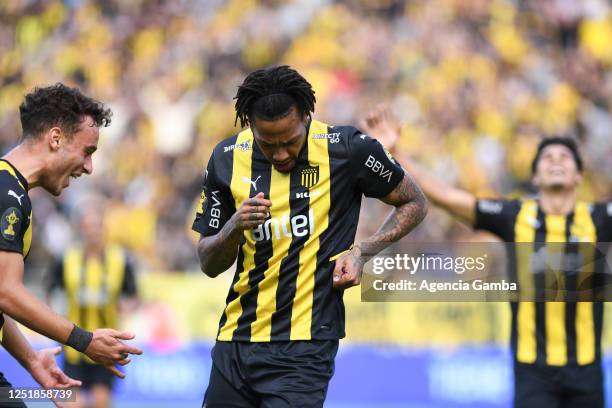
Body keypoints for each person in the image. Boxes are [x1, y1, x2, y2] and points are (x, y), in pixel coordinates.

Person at [192, 65, 427, 407]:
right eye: (268, 144)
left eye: (289, 141)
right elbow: (208, 262)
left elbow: (414, 202)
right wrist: (232, 228)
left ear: (306, 116)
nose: (281, 154)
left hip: (305, 350)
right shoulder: (226, 159)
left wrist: (363, 251)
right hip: (235, 342)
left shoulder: (348, 149)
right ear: (251, 127)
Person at [362, 107, 611, 408]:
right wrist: (396, 151)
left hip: (587, 370)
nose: (556, 162)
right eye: (548, 158)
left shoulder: (599, 218)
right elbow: (445, 197)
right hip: (533, 371)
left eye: (564, 158)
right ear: (535, 175)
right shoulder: (515, 215)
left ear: (579, 175)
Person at [0, 83, 143, 407]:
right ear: (55, 139)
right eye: (88, 151)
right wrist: (84, 340)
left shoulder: (11, 190)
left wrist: (32, 361)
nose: (89, 167)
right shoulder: (6, 195)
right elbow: (5, 291)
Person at [47, 204, 139, 408]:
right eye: (88, 226)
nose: (92, 231)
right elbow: (51, 291)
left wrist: (126, 308)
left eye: (96, 226)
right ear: (81, 229)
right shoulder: (66, 259)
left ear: (103, 229)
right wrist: (55, 315)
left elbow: (133, 296)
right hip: (73, 345)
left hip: (107, 344)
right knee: (74, 404)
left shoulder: (120, 259)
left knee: (100, 402)